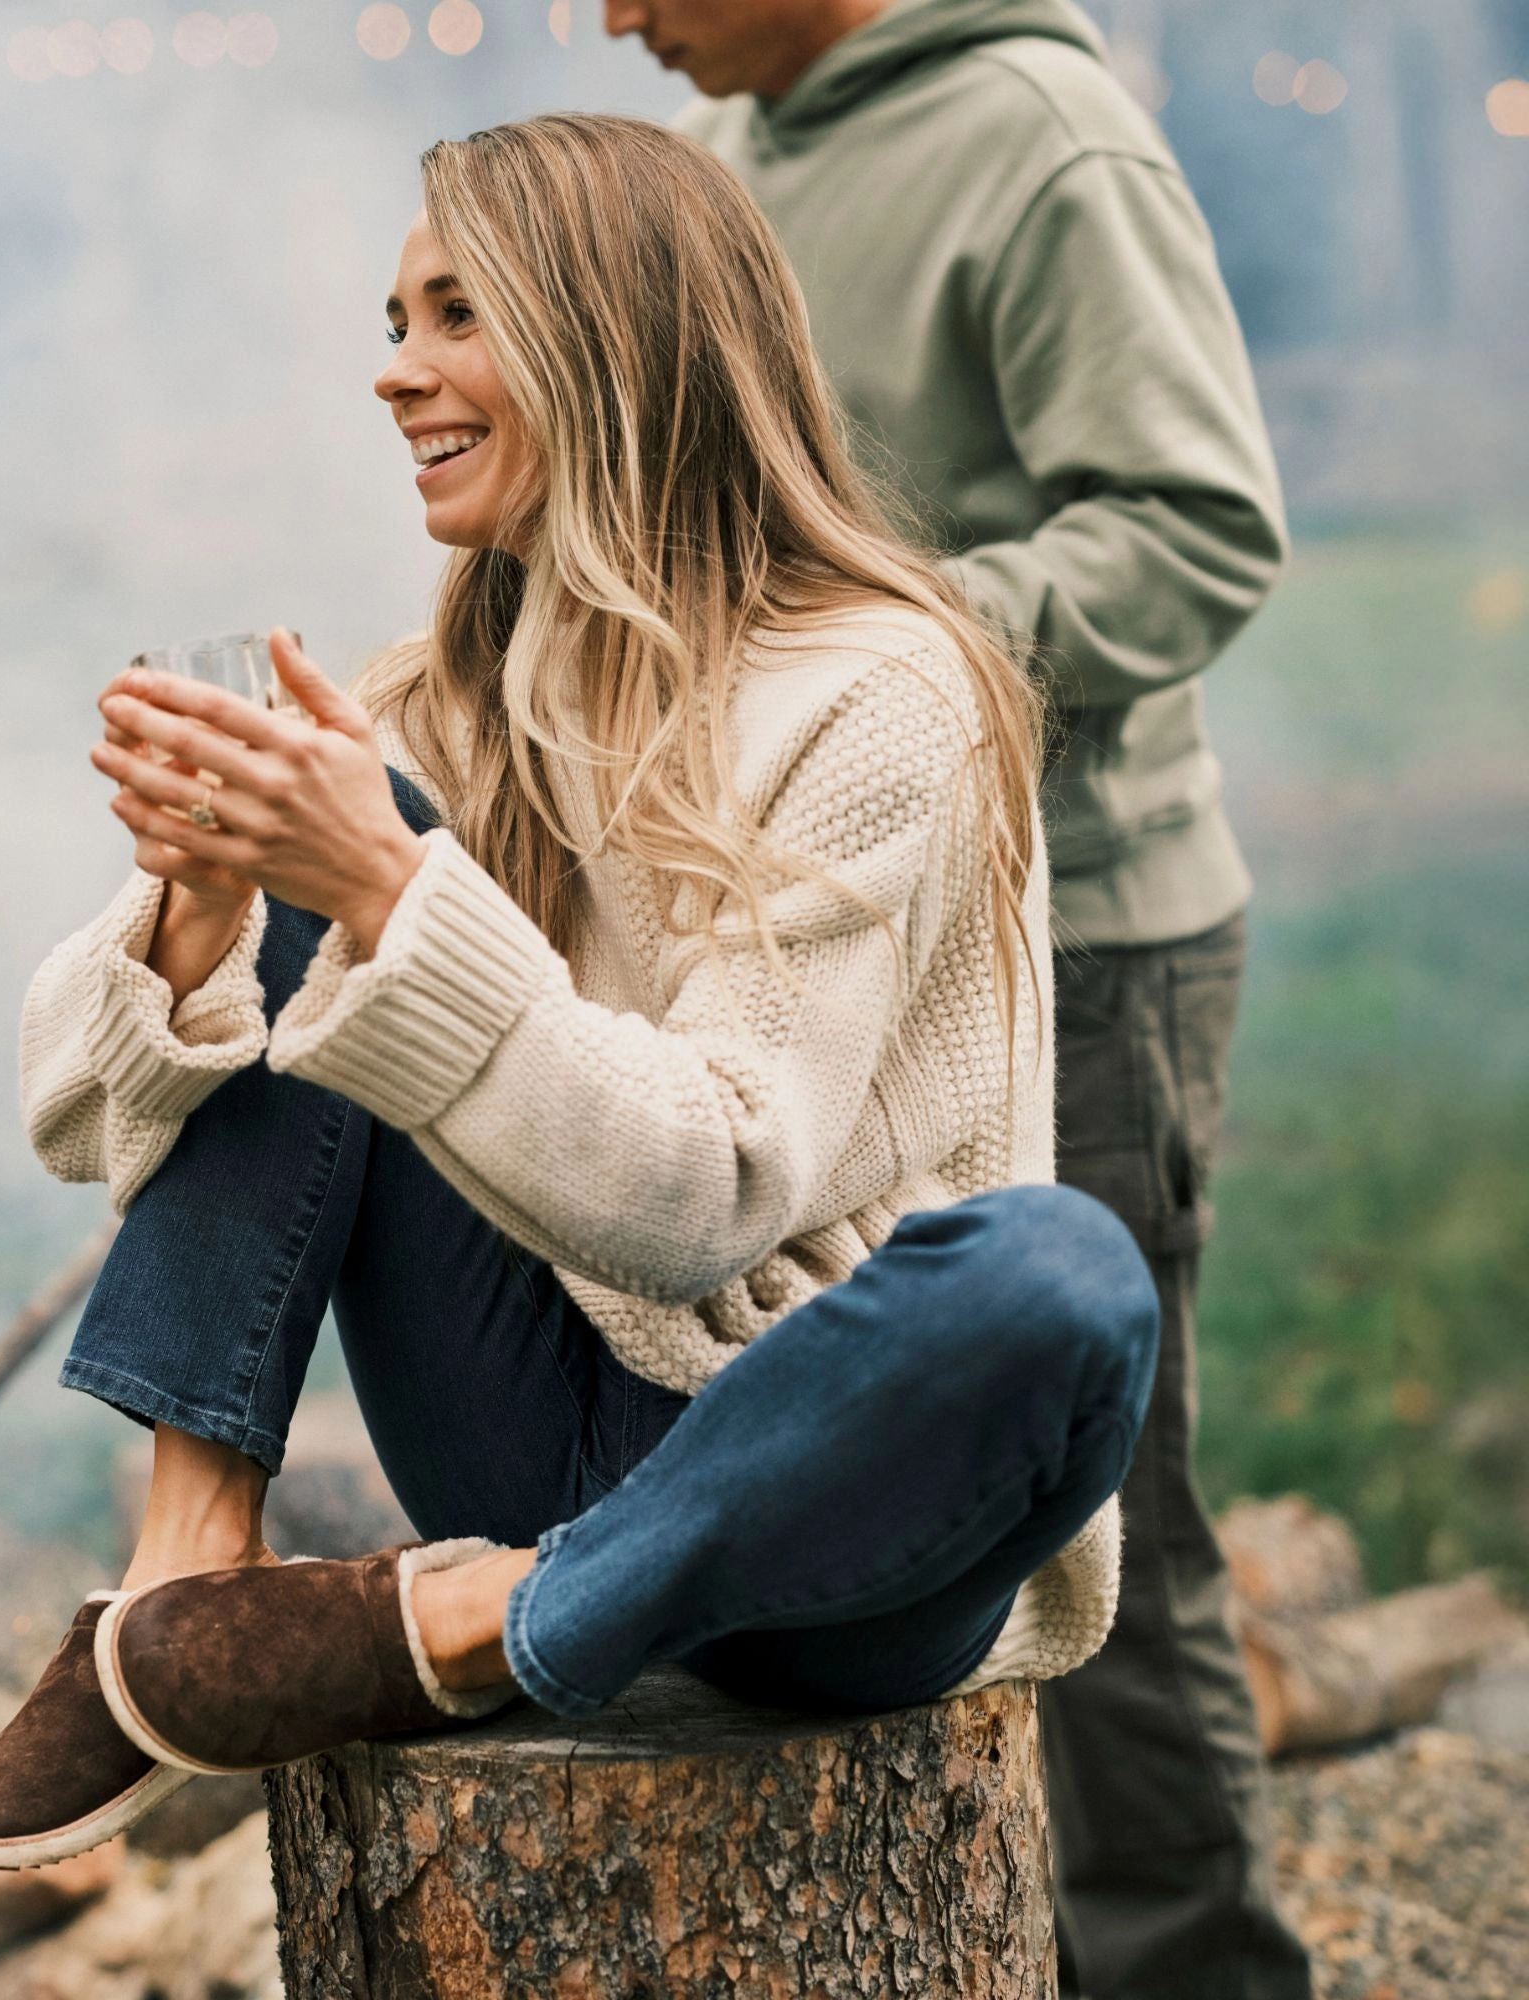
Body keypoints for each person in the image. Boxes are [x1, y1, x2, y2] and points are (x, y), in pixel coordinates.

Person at [0, 113, 1157, 1887]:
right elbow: (73, 1112)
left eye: (454, 316)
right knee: (330, 823)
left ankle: (483, 1622)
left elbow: (710, 1200)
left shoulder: (884, 688)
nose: (393, 372)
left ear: (613, 338)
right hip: (526, 1412)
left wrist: (384, 889)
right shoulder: (435, 702)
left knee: (1063, 1279)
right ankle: (181, 1594)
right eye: (392, 319)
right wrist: (206, 919)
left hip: (820, 1506)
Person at [601, 2, 1303, 1994]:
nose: (606, 18)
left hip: (1074, 944)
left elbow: (1193, 528)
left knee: (1101, 1533)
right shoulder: (743, 156)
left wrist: (868, 658)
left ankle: (1188, 1969)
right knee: (874, 1483)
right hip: (830, 955)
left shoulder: (1039, 138)